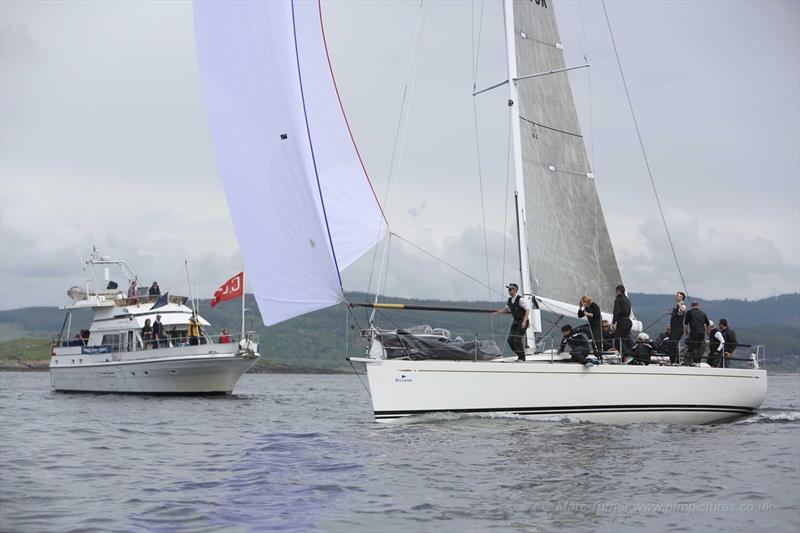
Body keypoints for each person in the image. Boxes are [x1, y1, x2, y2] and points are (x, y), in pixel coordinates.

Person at [491, 283, 530, 361]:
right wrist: (497, 313)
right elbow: (506, 309)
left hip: (522, 321)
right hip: (516, 322)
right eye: (508, 289)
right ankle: (520, 355)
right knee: (510, 340)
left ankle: (522, 358)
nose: (509, 291)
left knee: (517, 339)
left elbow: (527, 310)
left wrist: (524, 321)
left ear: (515, 290)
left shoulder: (520, 299)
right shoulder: (510, 300)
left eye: (510, 289)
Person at [665, 291, 686, 364]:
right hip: (674, 329)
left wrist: (679, 305)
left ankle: (675, 361)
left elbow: (682, 311)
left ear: (681, 297)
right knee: (671, 344)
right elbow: (677, 314)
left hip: (678, 329)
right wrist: (670, 313)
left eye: (678, 295)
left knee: (673, 344)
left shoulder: (682, 305)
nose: (676, 296)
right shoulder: (677, 306)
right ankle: (672, 360)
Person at [612, 284, 633, 356]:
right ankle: (631, 354)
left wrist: (613, 323)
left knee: (618, 341)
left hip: (622, 322)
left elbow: (616, 312)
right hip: (628, 322)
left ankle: (626, 355)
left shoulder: (618, 299)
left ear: (618, 291)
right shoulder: (627, 300)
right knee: (626, 339)